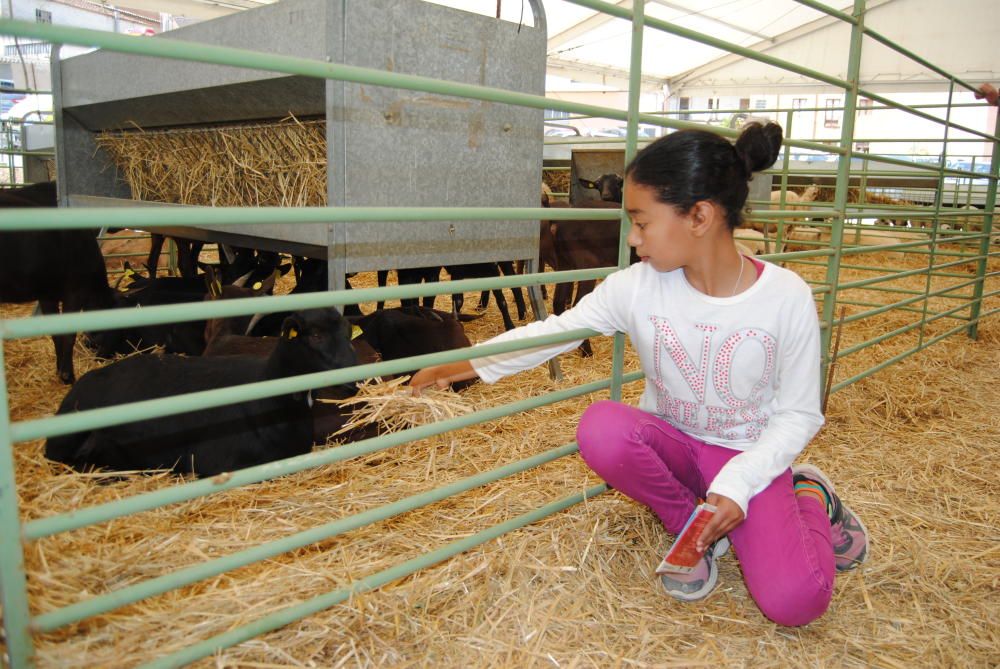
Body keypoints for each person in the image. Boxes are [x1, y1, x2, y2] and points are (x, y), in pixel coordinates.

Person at [410, 122, 869, 626]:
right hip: (673, 443)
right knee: (601, 427)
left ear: (699, 216)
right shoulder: (635, 287)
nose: (632, 238)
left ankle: (809, 495)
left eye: (642, 222)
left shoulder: (786, 296)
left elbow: (800, 413)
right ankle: (689, 529)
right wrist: (457, 364)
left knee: (795, 603)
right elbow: (555, 332)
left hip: (748, 456)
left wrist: (741, 483)